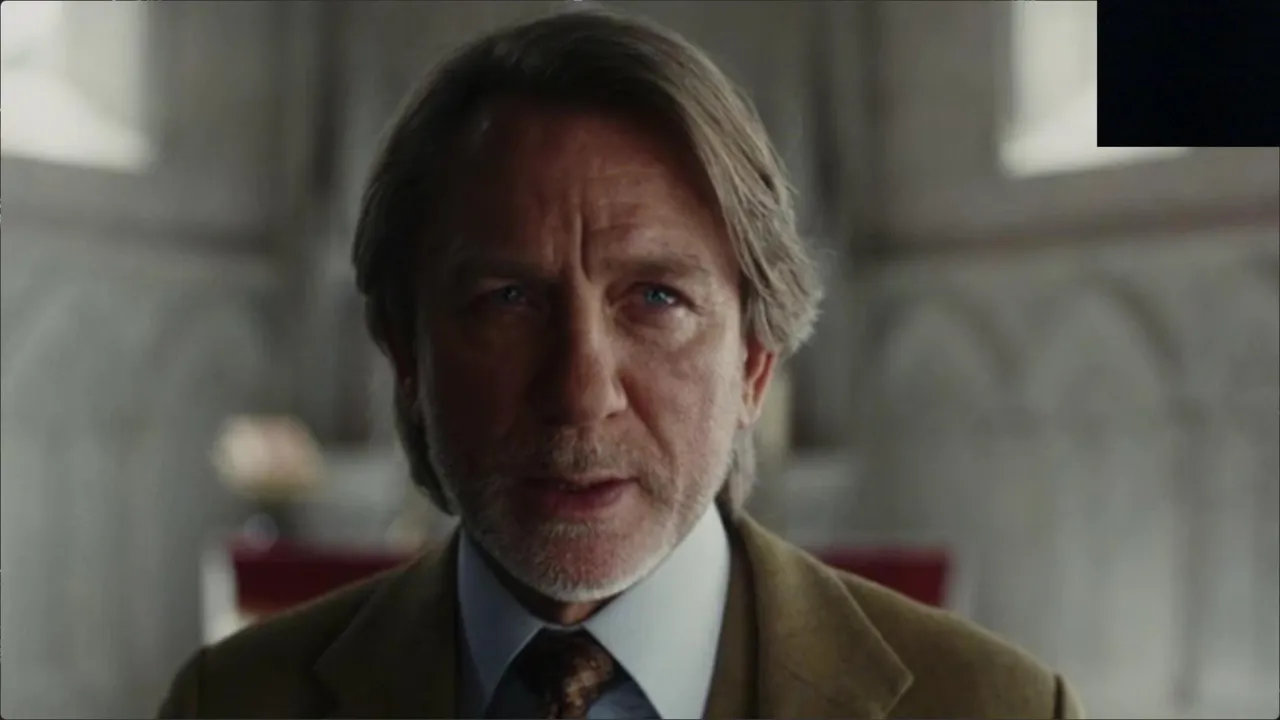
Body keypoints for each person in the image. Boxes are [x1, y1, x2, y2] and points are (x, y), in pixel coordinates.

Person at [158, 8, 1083, 719]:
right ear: (405, 350)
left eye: (657, 299)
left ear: (755, 362)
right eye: (508, 300)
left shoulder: (996, 711)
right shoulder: (230, 706)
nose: (580, 393)